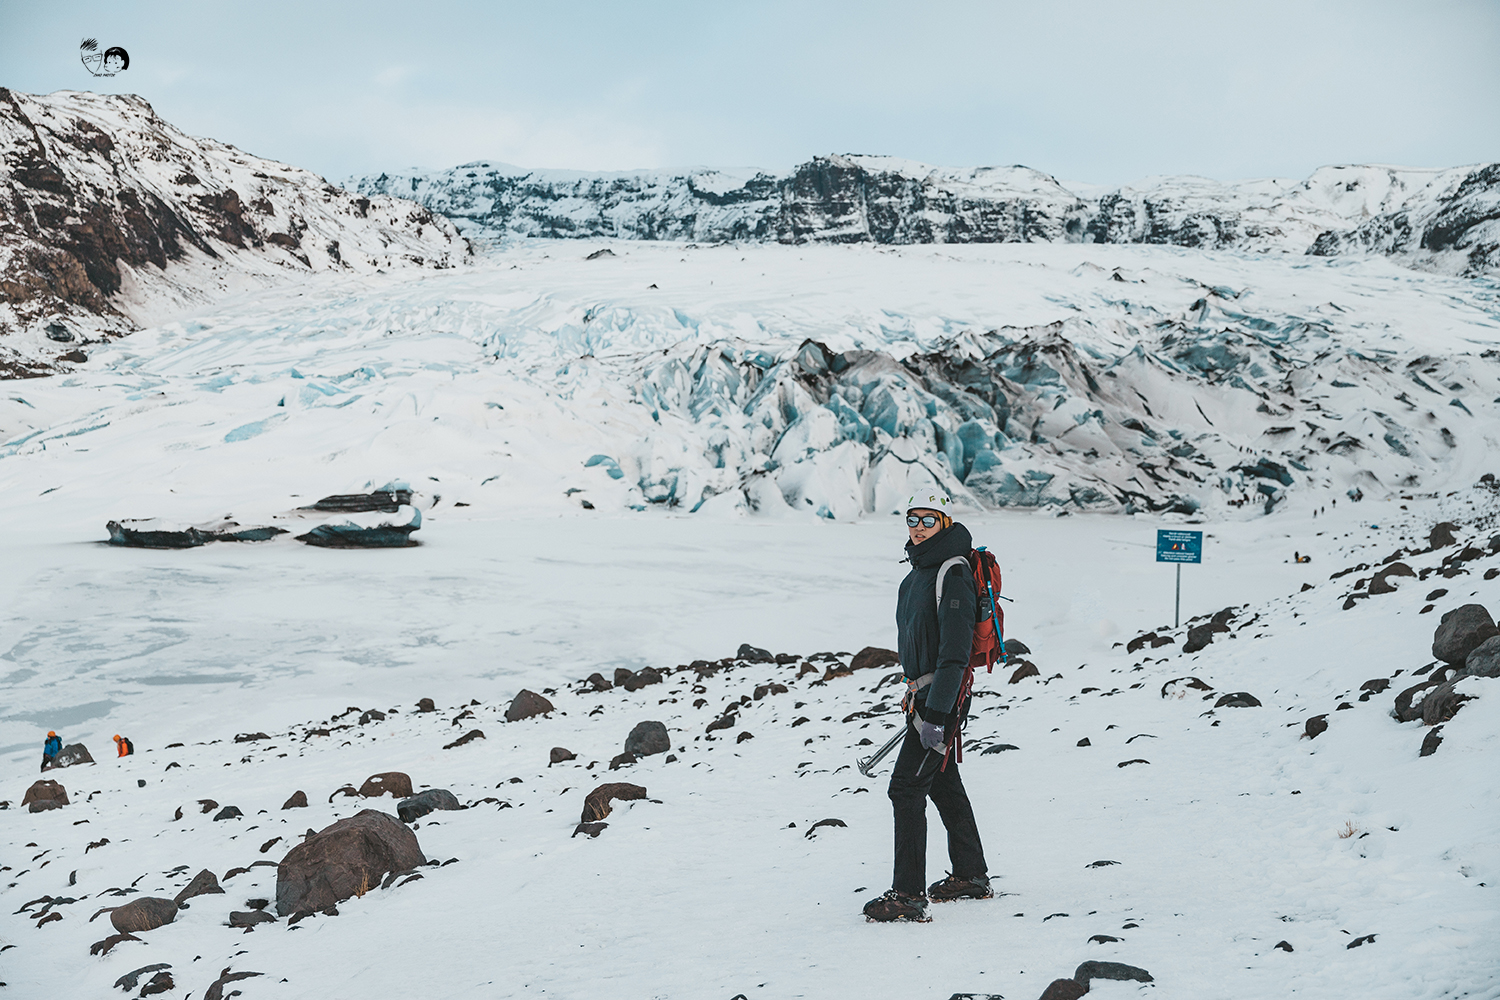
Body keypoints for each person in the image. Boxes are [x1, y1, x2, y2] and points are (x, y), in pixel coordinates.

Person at [863, 491, 990, 923]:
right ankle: (971, 875)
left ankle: (908, 894)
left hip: (942, 700)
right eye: (912, 519)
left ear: (945, 522)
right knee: (941, 782)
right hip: (925, 695)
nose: (917, 527)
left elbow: (954, 654)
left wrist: (936, 715)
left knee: (905, 787)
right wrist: (914, 687)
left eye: (927, 520)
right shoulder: (918, 572)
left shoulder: (951, 573)